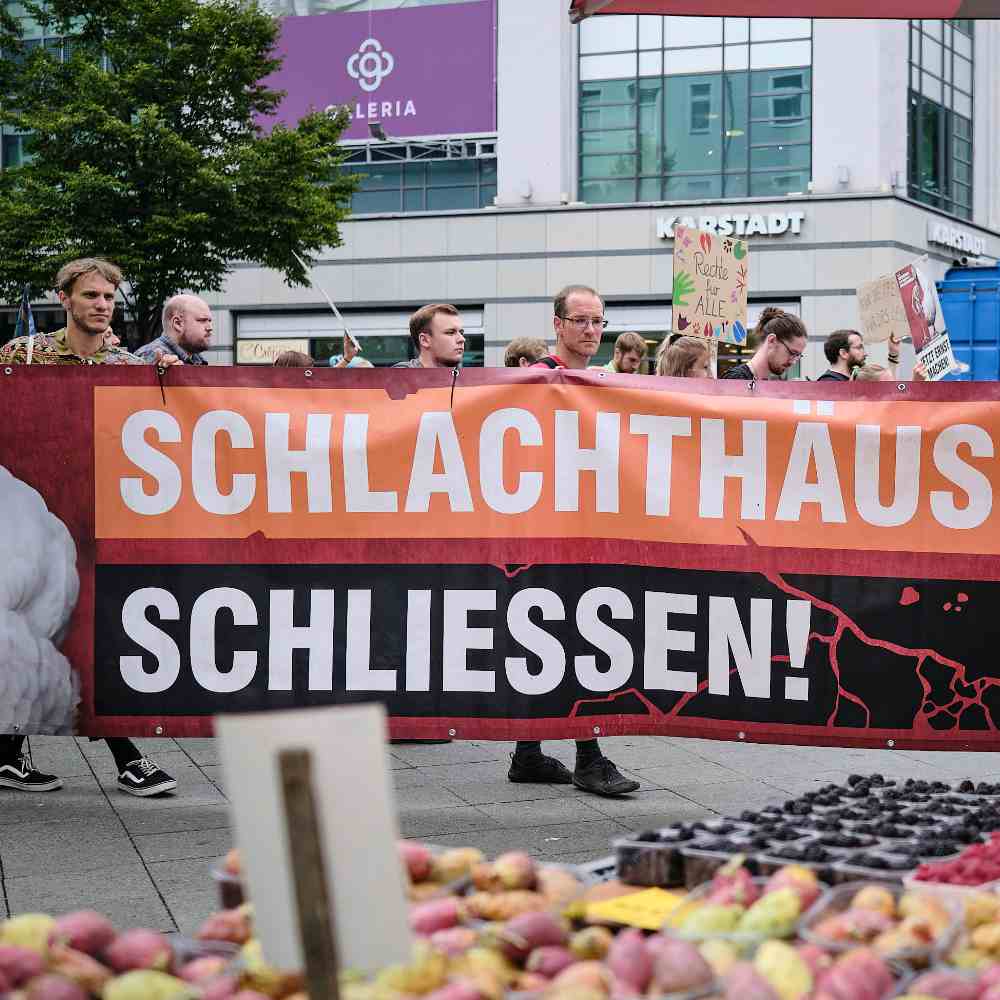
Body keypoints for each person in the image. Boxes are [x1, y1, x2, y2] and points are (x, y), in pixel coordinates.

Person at [0, 258, 177, 797]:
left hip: (101, 513)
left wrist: (174, 383)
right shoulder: (21, 355)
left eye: (109, 297)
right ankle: (126, 757)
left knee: (91, 627)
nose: (103, 305)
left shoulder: (128, 364)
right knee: (48, 624)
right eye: (92, 295)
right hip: (32, 513)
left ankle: (11, 755)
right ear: (65, 298)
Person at [509, 286, 640, 798]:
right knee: (573, 635)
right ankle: (588, 756)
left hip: (579, 524)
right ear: (558, 324)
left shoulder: (598, 381)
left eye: (598, 321)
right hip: (548, 528)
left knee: (554, 634)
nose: (591, 330)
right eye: (581, 320)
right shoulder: (539, 378)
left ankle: (527, 752)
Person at [720, 307, 807, 381]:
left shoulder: (762, 381)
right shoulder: (736, 379)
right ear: (772, 340)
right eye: (792, 353)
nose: (793, 362)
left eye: (798, 356)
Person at [135, 294, 213, 365]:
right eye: (202, 320)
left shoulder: (196, 359)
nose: (210, 328)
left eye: (209, 321)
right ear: (177, 323)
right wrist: (158, 372)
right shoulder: (150, 355)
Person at [393, 303, 465, 369]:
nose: (462, 339)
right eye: (450, 332)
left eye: (461, 333)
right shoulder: (400, 375)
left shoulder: (462, 376)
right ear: (424, 340)